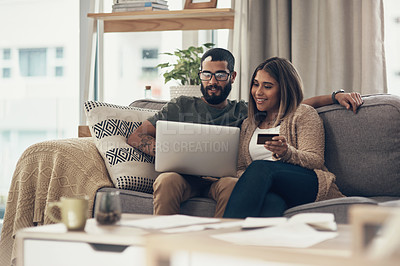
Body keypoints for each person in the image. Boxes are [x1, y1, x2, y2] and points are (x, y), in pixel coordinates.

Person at [127, 48, 363, 218]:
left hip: (230, 180)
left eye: (220, 75)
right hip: (184, 177)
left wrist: (334, 96)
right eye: (206, 74)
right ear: (200, 75)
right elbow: (136, 136)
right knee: (167, 180)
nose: (212, 81)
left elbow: (293, 105)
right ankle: (164, 246)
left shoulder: (243, 112)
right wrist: (167, 150)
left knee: (234, 183)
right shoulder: (183, 106)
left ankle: (221, 246)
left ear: (232, 77)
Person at [223, 57, 344, 219]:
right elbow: (241, 168)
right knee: (271, 203)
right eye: (256, 84)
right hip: (272, 187)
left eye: (267, 86)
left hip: (308, 183)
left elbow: (315, 160)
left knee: (261, 168)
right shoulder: (248, 124)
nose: (258, 92)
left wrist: (287, 153)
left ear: (284, 89)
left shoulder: (303, 114)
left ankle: (224, 231)